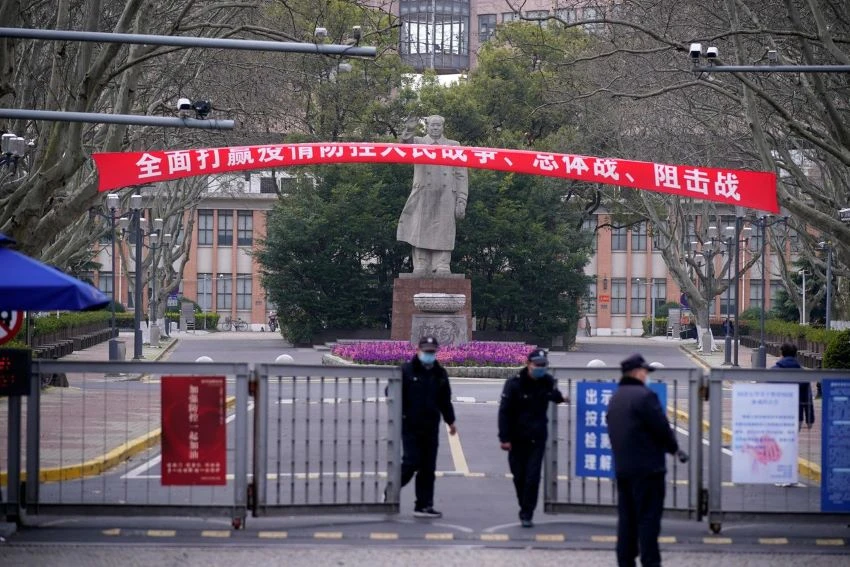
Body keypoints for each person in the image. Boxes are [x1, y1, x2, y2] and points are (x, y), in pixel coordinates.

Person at [607, 353, 686, 567]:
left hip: (623, 469)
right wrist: (675, 449)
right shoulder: (645, 396)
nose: (647, 376)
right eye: (645, 372)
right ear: (637, 372)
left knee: (627, 520)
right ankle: (650, 562)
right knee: (648, 521)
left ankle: (625, 561)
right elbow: (661, 427)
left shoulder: (616, 397)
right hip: (648, 470)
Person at [498, 348, 566, 527]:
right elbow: (504, 412)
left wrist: (562, 398)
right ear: (528, 364)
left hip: (537, 438)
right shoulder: (514, 384)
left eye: (543, 366)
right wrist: (504, 438)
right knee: (519, 477)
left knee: (533, 477)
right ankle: (524, 504)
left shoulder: (547, 381)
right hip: (516, 438)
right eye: (537, 365)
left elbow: (554, 395)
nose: (540, 368)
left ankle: (527, 513)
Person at [397, 115, 469, 276]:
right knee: (420, 227)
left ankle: (442, 264)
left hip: (446, 195)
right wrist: (409, 129)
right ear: (427, 127)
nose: (435, 128)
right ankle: (421, 263)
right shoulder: (418, 142)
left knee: (444, 229)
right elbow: (403, 147)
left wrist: (462, 199)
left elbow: (461, 175)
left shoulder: (453, 146)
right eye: (432, 125)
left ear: (443, 127)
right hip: (423, 192)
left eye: (438, 126)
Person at [398, 335, 457, 518]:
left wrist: (450, 421)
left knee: (428, 467)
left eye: (432, 352)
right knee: (411, 462)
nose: (429, 355)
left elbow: (444, 400)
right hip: (410, 425)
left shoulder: (439, 373)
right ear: (418, 350)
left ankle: (423, 505)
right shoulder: (406, 370)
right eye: (426, 352)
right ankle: (391, 489)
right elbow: (391, 392)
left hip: (431, 426)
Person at [772, 343, 815, 430]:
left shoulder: (773, 371)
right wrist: (809, 420)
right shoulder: (803, 373)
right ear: (795, 354)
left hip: (775, 414)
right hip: (796, 416)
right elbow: (808, 399)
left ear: (781, 353)